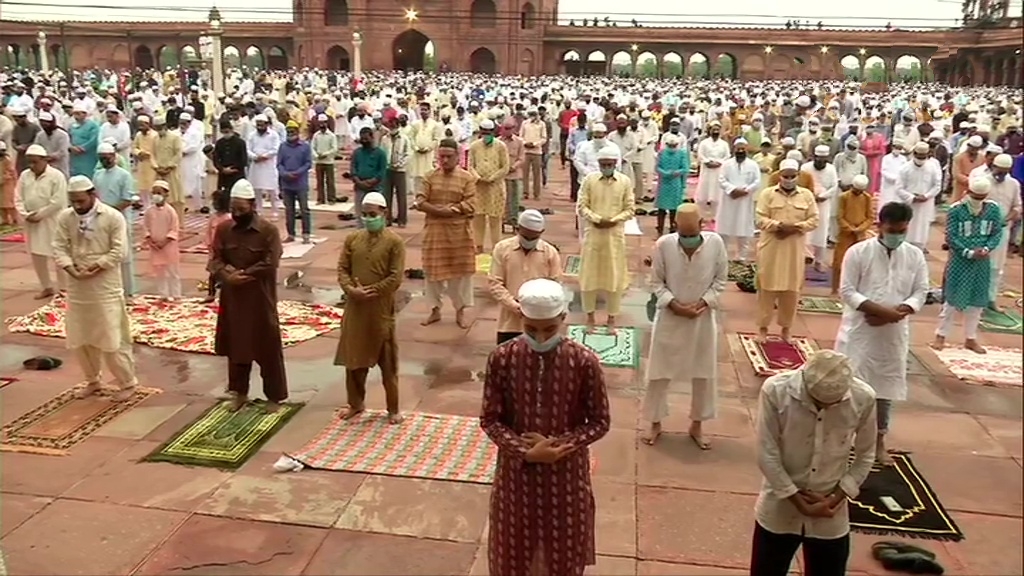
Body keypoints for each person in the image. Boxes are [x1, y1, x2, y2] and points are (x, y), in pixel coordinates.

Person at [480, 277, 611, 576]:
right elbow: (490, 419)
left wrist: (557, 446)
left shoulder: (583, 361)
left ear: (563, 318)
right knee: (512, 556)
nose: (540, 337)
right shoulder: (502, 358)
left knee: (562, 558)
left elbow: (600, 422)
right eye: (531, 329)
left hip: (565, 478)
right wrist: (526, 452)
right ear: (521, 319)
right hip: (516, 477)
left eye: (549, 329)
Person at [751, 350, 877, 576]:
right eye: (818, 402)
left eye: (835, 403)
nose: (826, 408)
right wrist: (797, 500)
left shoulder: (863, 397)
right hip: (780, 505)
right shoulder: (776, 391)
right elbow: (766, 452)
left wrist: (836, 498)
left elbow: (866, 454)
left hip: (831, 510)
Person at [835, 201, 929, 465]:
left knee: (884, 391)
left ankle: (878, 443)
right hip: (860, 332)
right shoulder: (858, 252)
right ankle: (842, 442)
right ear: (879, 225)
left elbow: (920, 291)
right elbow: (848, 291)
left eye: (902, 230)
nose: (897, 235)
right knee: (851, 388)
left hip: (893, 334)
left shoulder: (914, 255)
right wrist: (878, 311)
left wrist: (897, 313)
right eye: (892, 230)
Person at [643, 204, 729, 448]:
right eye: (684, 235)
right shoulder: (664, 245)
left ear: (702, 225)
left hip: (702, 318)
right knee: (659, 373)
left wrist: (704, 302)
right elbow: (656, 282)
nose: (688, 240)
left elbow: (721, 280)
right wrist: (674, 305)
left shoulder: (716, 244)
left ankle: (697, 425)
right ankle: (655, 423)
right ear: (675, 228)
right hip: (670, 318)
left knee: (704, 373)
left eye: (692, 235)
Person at [53, 175, 138, 402]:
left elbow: (120, 251)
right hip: (77, 285)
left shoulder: (112, 217)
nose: (77, 206)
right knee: (81, 336)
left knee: (112, 337)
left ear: (93, 195)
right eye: (73, 202)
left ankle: (127, 382)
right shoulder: (65, 217)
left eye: (81, 201)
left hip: (105, 286)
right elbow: (59, 247)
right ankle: (93, 380)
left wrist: (97, 266)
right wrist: (70, 268)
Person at [208, 178, 288, 412]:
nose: (236, 213)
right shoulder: (224, 229)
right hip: (233, 300)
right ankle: (239, 393)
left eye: (241, 209)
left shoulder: (268, 231)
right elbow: (215, 259)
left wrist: (244, 274)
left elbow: (270, 262)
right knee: (237, 347)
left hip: (260, 299)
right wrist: (226, 275)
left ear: (253, 205)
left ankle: (274, 397)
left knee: (267, 348)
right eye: (233, 209)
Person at [335, 192, 407, 424]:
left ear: (384, 213)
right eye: (364, 215)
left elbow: (395, 278)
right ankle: (355, 403)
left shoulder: (394, 242)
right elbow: (342, 269)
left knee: (387, 361)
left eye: (372, 214)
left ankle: (393, 408)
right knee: (354, 360)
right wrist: (351, 290)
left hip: (380, 310)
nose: (368, 219)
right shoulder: (353, 239)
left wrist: (372, 291)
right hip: (355, 309)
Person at [931, 177, 1004, 354]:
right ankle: (940, 336)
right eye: (975, 197)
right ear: (968, 192)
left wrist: (986, 249)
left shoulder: (993, 209)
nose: (978, 201)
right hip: (960, 261)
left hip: (982, 262)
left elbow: (996, 232)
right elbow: (951, 236)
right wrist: (968, 252)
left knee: (978, 300)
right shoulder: (956, 209)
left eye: (981, 198)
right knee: (952, 299)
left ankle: (970, 338)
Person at [413, 138, 477, 329]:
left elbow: (471, 204)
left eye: (449, 156)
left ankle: (460, 312)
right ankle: (435, 310)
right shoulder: (429, 176)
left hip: (459, 235)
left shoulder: (467, 178)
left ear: (458, 157)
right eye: (441, 156)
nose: (445, 160)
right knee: (433, 275)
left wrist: (446, 211)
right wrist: (440, 211)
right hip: (435, 233)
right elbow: (420, 200)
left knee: (461, 277)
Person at [754, 159, 820, 342]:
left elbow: (814, 220)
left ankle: (786, 329)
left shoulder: (806, 195)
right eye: (786, 176)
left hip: (794, 250)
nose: (789, 179)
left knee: (791, 291)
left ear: (798, 176)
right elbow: (760, 218)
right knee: (766, 288)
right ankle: (762, 328)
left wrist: (794, 228)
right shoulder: (768, 194)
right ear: (779, 176)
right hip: (771, 248)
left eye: (793, 176)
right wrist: (778, 227)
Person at [578, 147, 634, 333]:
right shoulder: (589, 180)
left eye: (610, 165)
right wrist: (596, 219)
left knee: (614, 279)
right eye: (603, 165)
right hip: (593, 235)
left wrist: (613, 221)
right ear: (599, 164)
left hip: (614, 237)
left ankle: (611, 319)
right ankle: (590, 318)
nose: (607, 167)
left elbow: (630, 209)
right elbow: (582, 206)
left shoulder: (624, 182)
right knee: (588, 278)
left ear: (616, 164)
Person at [488, 209, 562, 345]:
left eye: (533, 238)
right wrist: (515, 306)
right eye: (526, 236)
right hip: (510, 324)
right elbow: (495, 283)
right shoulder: (502, 249)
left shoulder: (550, 253)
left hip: (540, 323)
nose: (529, 241)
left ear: (541, 233)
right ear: (517, 229)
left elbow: (555, 286)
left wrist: (536, 307)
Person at [14, 144, 68, 299]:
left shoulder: (56, 176)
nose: (32, 166)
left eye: (35, 162)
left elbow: (58, 201)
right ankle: (46, 287)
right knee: (37, 255)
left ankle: (64, 288)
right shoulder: (25, 175)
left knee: (58, 255)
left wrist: (40, 215)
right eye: (29, 162)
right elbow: (18, 197)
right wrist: (26, 215)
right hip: (31, 222)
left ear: (44, 160)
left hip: (52, 221)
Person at [93, 142, 137, 297]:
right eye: (101, 158)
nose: (104, 161)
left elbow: (127, 199)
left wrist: (110, 212)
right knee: (104, 252)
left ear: (113, 156)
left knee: (123, 255)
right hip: (101, 219)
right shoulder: (98, 175)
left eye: (107, 158)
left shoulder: (124, 175)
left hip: (120, 218)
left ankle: (128, 292)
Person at [982, 154, 1022, 309]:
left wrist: (1007, 218)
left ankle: (990, 299)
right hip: (982, 229)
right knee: (979, 264)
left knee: (996, 267)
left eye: (1005, 171)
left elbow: (1017, 206)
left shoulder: (1013, 184)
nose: (1002, 174)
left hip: (1002, 230)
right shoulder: (983, 182)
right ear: (994, 166)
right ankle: (974, 300)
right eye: (1000, 170)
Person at [468, 119, 510, 252]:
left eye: (488, 133)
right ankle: (478, 246)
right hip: (479, 187)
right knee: (478, 217)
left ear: (493, 132)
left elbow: (505, 167)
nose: (486, 135)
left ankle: (496, 248)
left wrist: (492, 178)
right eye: (484, 132)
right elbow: (470, 165)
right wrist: (478, 177)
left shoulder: (501, 146)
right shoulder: (474, 146)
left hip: (495, 187)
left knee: (495, 219)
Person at [717, 138, 761, 262]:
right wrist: (732, 190)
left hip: (744, 200)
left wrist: (745, 191)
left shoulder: (753, 165)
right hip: (728, 199)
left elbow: (757, 181)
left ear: (747, 149)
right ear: (734, 149)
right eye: (738, 149)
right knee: (724, 228)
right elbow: (721, 179)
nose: (740, 151)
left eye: (743, 149)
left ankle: (742, 256)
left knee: (744, 228)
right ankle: (722, 257)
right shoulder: (726, 164)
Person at [830, 174, 874, 295]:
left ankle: (856, 290)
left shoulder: (867, 198)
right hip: (845, 234)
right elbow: (839, 216)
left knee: (859, 264)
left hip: (860, 236)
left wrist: (860, 228)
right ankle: (834, 289)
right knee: (839, 262)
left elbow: (870, 217)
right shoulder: (843, 197)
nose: (858, 192)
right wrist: (849, 228)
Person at [896, 142, 942, 251]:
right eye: (918, 156)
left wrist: (926, 196)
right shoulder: (904, 168)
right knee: (907, 228)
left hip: (925, 204)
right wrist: (912, 197)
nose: (920, 159)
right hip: (909, 204)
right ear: (914, 154)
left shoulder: (932, 168)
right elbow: (899, 188)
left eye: (923, 157)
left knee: (922, 229)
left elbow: (937, 186)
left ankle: (920, 249)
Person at [143, 181, 182, 300]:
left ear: (166, 194)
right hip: (155, 247)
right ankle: (163, 294)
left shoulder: (171, 211)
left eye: (159, 193)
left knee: (173, 271)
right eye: (154, 193)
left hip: (169, 246)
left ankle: (176, 294)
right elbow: (145, 227)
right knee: (159, 271)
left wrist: (164, 242)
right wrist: (150, 240)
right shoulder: (149, 211)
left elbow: (174, 229)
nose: (156, 195)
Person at [801, 145, 839, 271]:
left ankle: (818, 261)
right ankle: (805, 256)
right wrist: (811, 196)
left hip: (824, 203)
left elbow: (834, 187)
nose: (821, 161)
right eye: (818, 158)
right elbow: (801, 184)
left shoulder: (831, 169)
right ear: (814, 157)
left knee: (821, 232)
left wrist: (823, 196)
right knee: (805, 230)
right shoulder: (806, 168)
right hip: (806, 201)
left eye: (823, 159)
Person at [277, 121, 313, 243]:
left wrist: (297, 172)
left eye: (292, 131)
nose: (290, 134)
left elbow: (308, 163)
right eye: (288, 132)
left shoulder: (305, 146)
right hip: (287, 184)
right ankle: (291, 234)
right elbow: (279, 164)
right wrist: (286, 174)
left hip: (300, 182)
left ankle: (306, 234)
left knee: (304, 209)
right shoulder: (282, 146)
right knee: (289, 210)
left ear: (297, 132)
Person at [350, 126, 389, 225]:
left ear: (372, 138)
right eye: (362, 139)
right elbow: (353, 169)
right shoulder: (357, 153)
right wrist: (358, 181)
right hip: (359, 187)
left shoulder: (380, 153)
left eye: (366, 139)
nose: (364, 141)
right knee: (360, 215)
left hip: (375, 188)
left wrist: (371, 182)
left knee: (375, 215)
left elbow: (382, 171)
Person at [653, 133, 690, 236]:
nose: (672, 148)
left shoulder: (682, 154)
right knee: (661, 208)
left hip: (675, 183)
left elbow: (685, 168)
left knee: (674, 208)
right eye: (670, 146)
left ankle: (673, 227)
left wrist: (676, 172)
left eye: (674, 146)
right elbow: (657, 167)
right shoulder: (661, 153)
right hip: (664, 183)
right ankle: (660, 228)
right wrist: (664, 173)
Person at [152, 116, 186, 220]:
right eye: (156, 128)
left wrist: (169, 167)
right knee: (159, 196)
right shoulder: (155, 139)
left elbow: (178, 154)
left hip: (171, 172)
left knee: (174, 197)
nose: (158, 130)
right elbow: (152, 155)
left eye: (159, 127)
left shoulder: (175, 138)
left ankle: (176, 223)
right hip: (159, 173)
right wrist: (156, 167)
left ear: (165, 126)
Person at [201, 189, 232, 303]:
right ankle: (211, 294)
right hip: (214, 250)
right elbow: (208, 233)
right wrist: (209, 245)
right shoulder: (213, 218)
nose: (214, 204)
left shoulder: (229, 218)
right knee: (212, 274)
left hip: (225, 251)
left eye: (216, 201)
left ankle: (226, 295)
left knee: (225, 274)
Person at [695, 120, 730, 221]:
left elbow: (727, 156)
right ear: (710, 131)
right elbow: (700, 155)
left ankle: (716, 216)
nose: (715, 131)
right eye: (713, 129)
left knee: (717, 194)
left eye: (717, 130)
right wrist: (707, 162)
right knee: (702, 194)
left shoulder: (724, 144)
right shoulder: (704, 143)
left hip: (718, 170)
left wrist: (719, 163)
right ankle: (701, 215)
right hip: (706, 169)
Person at [380, 120, 410, 226]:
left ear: (398, 125)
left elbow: (408, 154)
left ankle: (402, 220)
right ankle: (387, 219)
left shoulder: (404, 138)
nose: (392, 127)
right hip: (387, 170)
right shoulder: (384, 139)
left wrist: (400, 164)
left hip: (400, 170)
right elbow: (382, 152)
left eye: (394, 125)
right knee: (386, 195)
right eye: (390, 126)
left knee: (401, 196)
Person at [213, 119, 248, 194]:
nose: (225, 134)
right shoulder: (219, 143)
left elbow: (243, 159)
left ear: (231, 130)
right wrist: (222, 169)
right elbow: (215, 158)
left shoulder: (240, 143)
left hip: (237, 174)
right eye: (223, 132)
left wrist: (233, 168)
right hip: (223, 174)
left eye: (227, 132)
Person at [311, 113, 339, 204]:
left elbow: (334, 148)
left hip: (328, 161)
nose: (322, 125)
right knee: (319, 182)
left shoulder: (331, 136)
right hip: (318, 161)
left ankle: (331, 199)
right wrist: (316, 155)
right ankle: (320, 199)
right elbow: (312, 147)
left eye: (324, 123)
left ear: (327, 123)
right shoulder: (316, 135)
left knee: (330, 182)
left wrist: (325, 154)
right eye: (320, 123)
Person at [33, 111, 70, 177]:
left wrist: (47, 158)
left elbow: (62, 152)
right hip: (43, 167)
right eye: (42, 123)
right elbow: (36, 148)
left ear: (51, 123)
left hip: (59, 166)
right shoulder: (40, 135)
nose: (44, 125)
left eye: (46, 123)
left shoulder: (62, 135)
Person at [131, 116, 158, 205]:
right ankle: (146, 207)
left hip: (152, 163)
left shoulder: (155, 135)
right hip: (142, 163)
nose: (141, 127)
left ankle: (154, 205)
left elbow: (157, 149)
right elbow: (134, 147)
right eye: (139, 125)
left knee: (152, 185)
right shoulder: (138, 135)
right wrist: (139, 153)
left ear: (148, 124)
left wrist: (148, 154)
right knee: (143, 187)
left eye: (142, 125)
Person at [68, 103, 100, 178]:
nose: (76, 116)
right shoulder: (72, 126)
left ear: (85, 114)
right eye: (75, 114)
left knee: (88, 175)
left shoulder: (92, 125)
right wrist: (71, 147)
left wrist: (82, 148)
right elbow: (68, 138)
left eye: (78, 114)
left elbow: (94, 139)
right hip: (74, 156)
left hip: (88, 155)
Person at [0, 141, 16, 225]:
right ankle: (4, 220)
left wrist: (3, 179)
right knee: (1, 204)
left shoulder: (7, 160)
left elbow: (10, 172)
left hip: (8, 184)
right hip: (1, 185)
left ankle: (14, 219)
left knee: (9, 204)